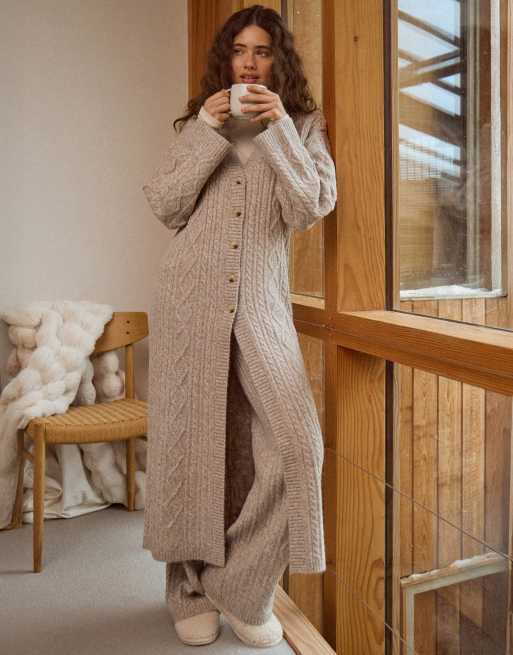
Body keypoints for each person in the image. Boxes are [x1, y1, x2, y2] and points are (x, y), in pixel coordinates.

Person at [141, 3, 337, 649]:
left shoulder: (303, 126)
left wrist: (278, 131)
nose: (249, 63)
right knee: (194, 446)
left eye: (262, 51)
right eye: (239, 50)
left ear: (279, 61)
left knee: (297, 446)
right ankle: (187, 590)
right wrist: (205, 130)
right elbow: (166, 205)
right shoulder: (199, 122)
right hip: (190, 299)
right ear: (225, 59)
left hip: (261, 303)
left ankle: (242, 584)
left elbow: (308, 206)